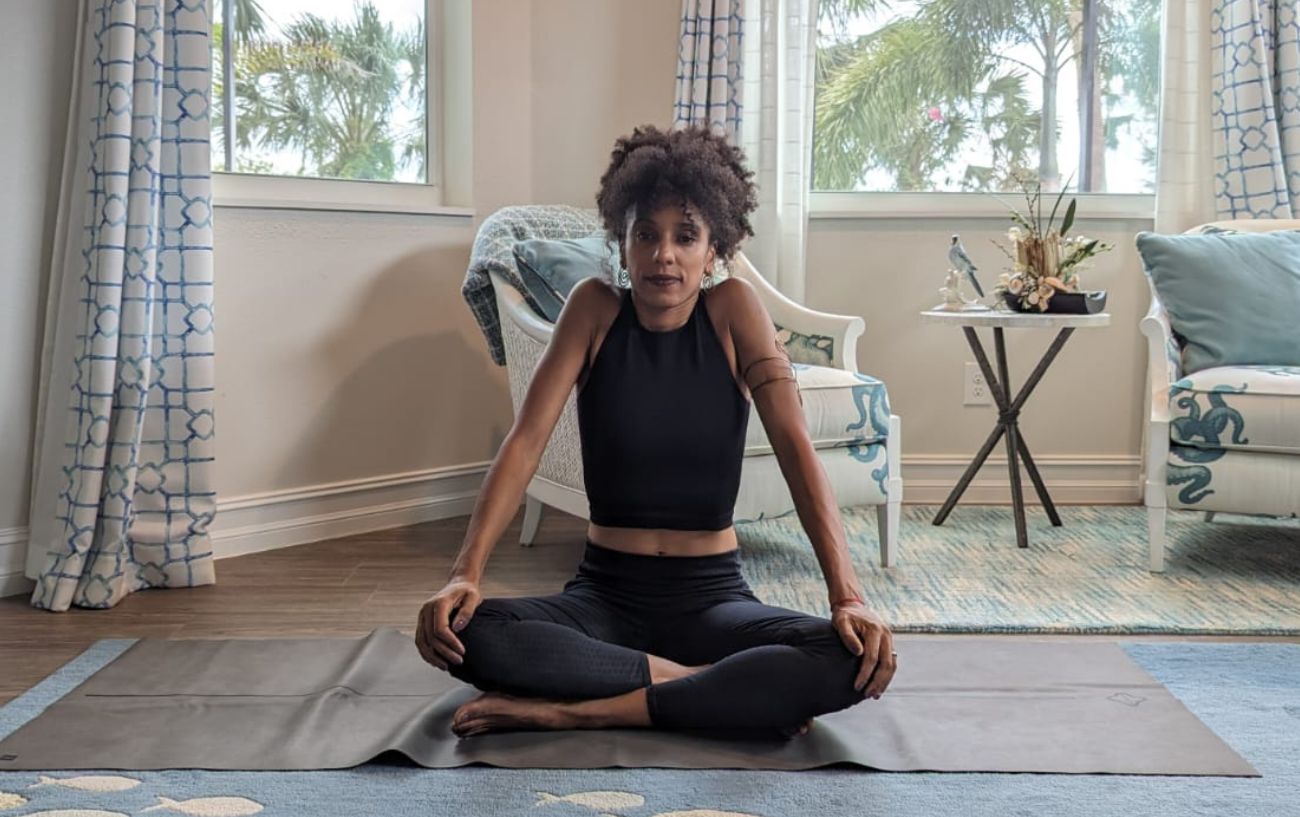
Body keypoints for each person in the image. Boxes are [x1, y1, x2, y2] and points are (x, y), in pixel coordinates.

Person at [415, 123, 896, 739]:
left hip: (713, 600)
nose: (663, 254)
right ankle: (710, 689)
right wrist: (465, 574)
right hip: (603, 597)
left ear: (712, 250)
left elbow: (797, 452)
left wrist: (847, 598)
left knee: (852, 659)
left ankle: (576, 710)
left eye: (685, 237)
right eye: (646, 235)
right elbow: (525, 444)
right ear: (623, 243)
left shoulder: (734, 310)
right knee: (465, 635)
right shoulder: (592, 308)